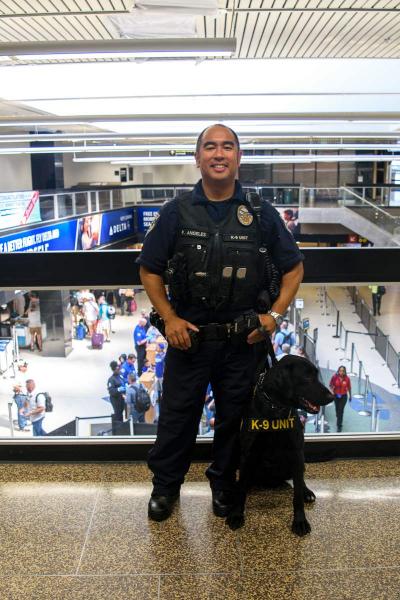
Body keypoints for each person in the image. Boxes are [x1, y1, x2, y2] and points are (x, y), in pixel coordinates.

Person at [137, 123, 304, 522]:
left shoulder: (261, 214)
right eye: (209, 147)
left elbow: (294, 267)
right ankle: (165, 488)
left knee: (233, 420)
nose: (218, 153)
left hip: (242, 341)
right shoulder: (176, 212)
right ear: (197, 158)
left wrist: (275, 315)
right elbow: (149, 269)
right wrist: (171, 317)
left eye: (227, 146)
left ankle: (224, 484)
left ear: (238, 158)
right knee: (177, 418)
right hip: (187, 340)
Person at [329, 365, 352, 433]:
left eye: (343, 371)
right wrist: (332, 389)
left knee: (341, 410)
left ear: (345, 372)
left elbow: (349, 388)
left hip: (344, 396)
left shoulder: (347, 379)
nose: (341, 372)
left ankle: (339, 426)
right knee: (337, 410)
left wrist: (350, 396)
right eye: (340, 370)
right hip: (336, 396)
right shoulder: (334, 377)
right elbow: (330, 384)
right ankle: (338, 416)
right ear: (338, 371)